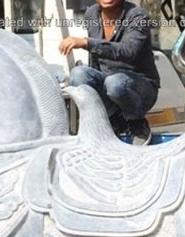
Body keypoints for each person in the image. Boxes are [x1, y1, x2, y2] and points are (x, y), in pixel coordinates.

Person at [58, 0, 160, 145]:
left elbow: (128, 51)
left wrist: (87, 43)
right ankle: (112, 120)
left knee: (115, 83)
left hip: (139, 88)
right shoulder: (91, 14)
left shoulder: (137, 16)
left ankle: (137, 123)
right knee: (78, 74)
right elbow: (95, 60)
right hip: (107, 85)